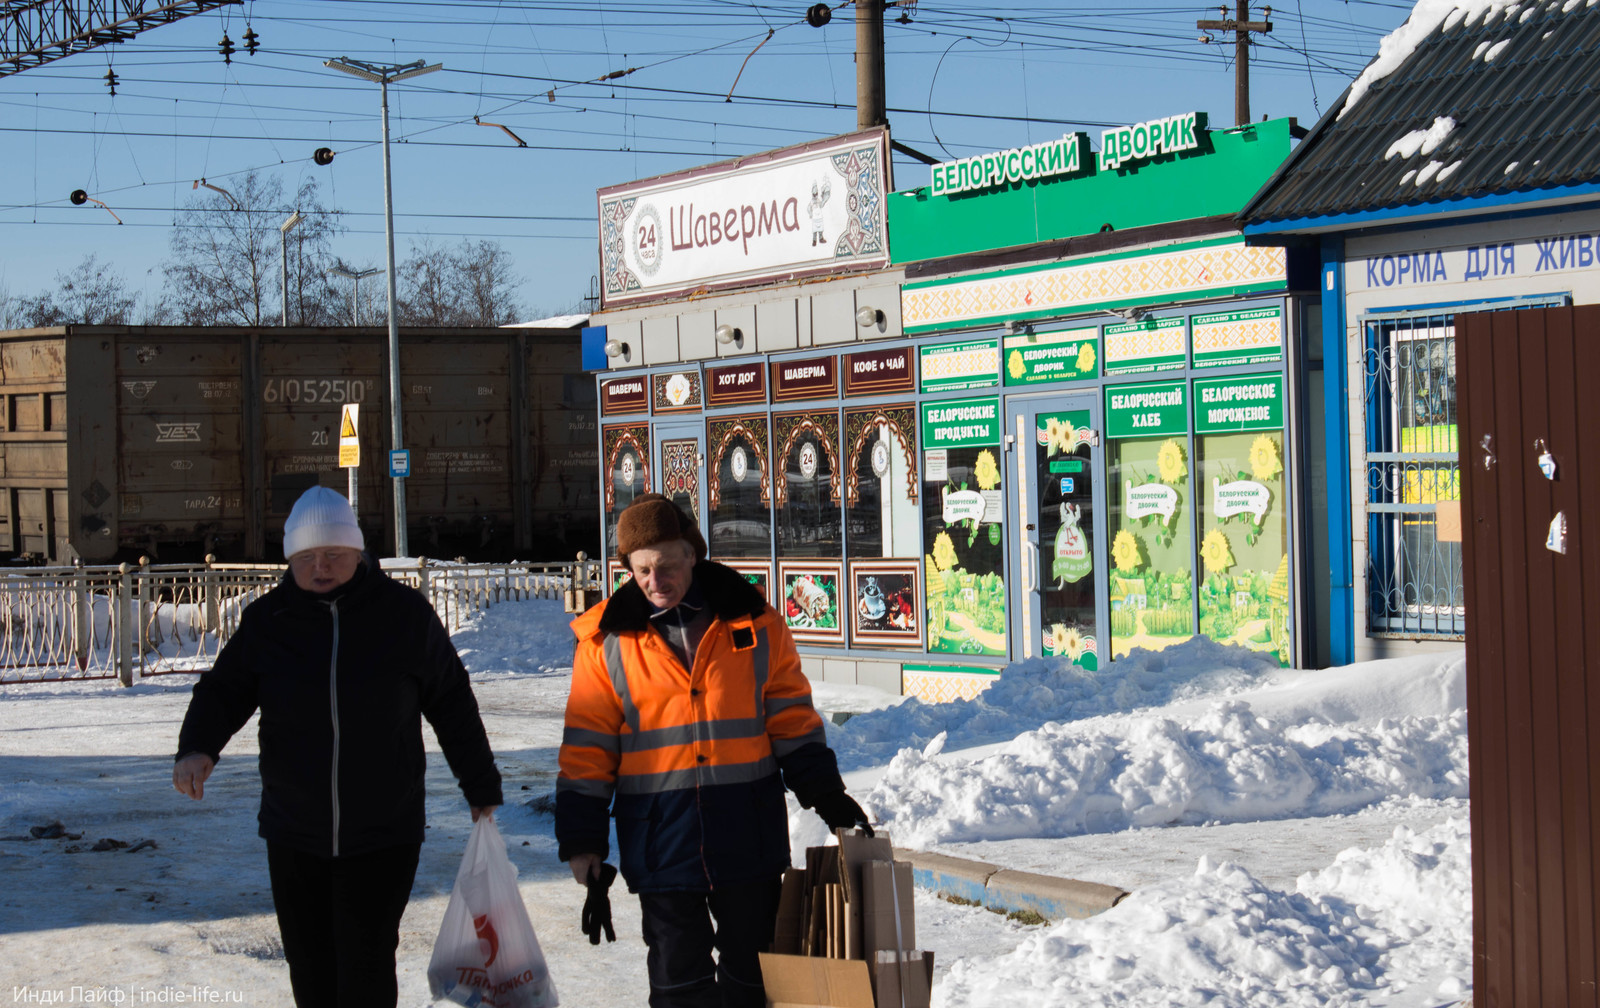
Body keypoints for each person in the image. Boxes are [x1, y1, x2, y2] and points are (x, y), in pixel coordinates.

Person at [173, 485, 502, 1008]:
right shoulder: (270, 621)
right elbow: (224, 690)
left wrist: (479, 783)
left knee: (366, 962)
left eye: (333, 555)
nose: (320, 567)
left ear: (358, 552)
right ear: (289, 559)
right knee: (310, 965)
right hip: (293, 828)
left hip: (383, 829)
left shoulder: (403, 615)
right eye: (307, 558)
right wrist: (197, 747)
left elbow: (452, 701)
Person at [556, 493, 871, 1008]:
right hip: (661, 840)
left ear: (692, 555)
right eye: (641, 571)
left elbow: (791, 719)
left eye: (665, 566)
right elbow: (588, 749)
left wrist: (826, 794)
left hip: (746, 834)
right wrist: (581, 838)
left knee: (754, 983)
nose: (655, 582)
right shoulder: (605, 643)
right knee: (679, 987)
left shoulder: (755, 623)